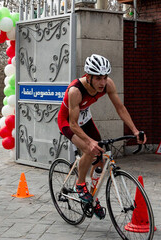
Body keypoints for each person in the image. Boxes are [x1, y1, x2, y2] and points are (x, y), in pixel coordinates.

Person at [57, 54, 146, 219]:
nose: (103, 82)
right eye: (98, 78)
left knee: (100, 157)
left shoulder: (107, 85)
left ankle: (92, 196)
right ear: (88, 77)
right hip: (68, 122)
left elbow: (120, 108)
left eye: (105, 77)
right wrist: (89, 141)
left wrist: (134, 130)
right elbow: (74, 124)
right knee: (89, 149)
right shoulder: (75, 90)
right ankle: (80, 185)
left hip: (85, 117)